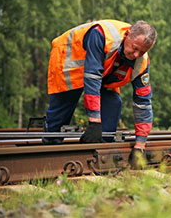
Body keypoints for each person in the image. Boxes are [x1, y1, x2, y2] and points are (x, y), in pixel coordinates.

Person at [43, 19, 157, 166]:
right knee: (62, 109)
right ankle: (49, 152)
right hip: (69, 61)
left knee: (112, 107)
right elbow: (92, 78)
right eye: (135, 48)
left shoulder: (141, 62)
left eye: (142, 52)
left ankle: (98, 160)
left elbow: (143, 103)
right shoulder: (102, 35)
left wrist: (139, 146)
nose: (136, 55)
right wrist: (94, 123)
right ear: (127, 35)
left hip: (105, 71)